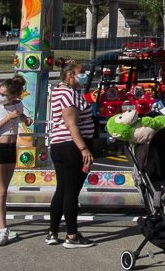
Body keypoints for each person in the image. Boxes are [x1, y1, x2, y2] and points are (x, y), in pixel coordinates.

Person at [47, 60, 95, 248]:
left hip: (61, 145)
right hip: (71, 146)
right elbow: (71, 124)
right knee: (71, 192)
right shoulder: (68, 94)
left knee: (62, 190)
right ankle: (72, 235)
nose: (84, 75)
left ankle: (53, 231)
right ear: (70, 75)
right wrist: (84, 148)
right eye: (80, 72)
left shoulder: (62, 91)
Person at [0, 76, 31, 246]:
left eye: (4, 94)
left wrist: (24, 119)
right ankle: (2, 228)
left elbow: (21, 116)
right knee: (1, 190)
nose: (1, 96)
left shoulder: (17, 105)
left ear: (13, 95)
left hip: (12, 148)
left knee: (3, 190)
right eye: (0, 93)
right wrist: (7, 118)